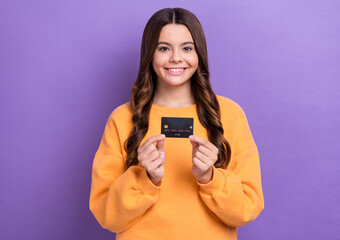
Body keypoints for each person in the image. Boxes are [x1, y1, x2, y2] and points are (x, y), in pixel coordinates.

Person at [89, 7, 264, 240]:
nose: (176, 58)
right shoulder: (122, 118)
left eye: (187, 48)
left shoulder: (229, 115)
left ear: (199, 53)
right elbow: (107, 216)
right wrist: (146, 178)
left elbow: (246, 209)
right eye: (164, 48)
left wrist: (209, 178)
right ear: (150, 53)